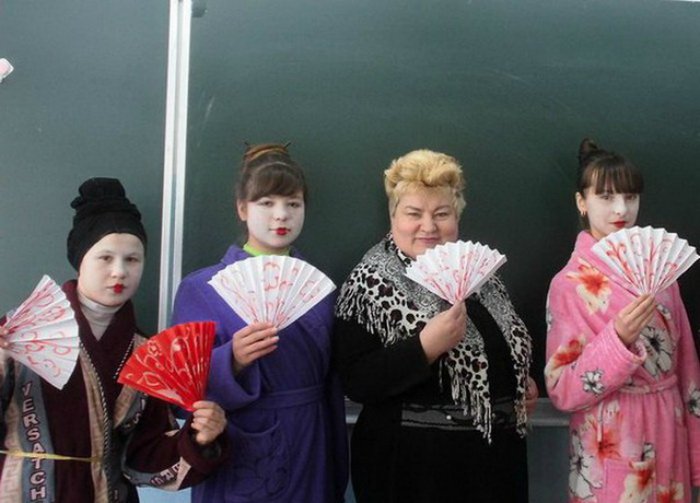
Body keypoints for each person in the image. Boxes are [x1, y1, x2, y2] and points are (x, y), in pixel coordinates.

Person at [0, 178, 228, 503]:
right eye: (105, 258)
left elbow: (142, 458)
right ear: (80, 259)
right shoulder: (19, 333)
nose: (119, 271)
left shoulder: (146, 351)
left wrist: (198, 438)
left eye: (132, 259)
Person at [333, 149, 537, 503]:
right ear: (393, 216)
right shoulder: (368, 284)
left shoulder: (484, 278)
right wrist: (424, 347)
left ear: (456, 216)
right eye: (414, 213)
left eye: (441, 214)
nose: (428, 227)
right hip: (412, 473)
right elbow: (357, 381)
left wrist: (517, 381)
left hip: (493, 468)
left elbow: (495, 349)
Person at [171, 143, 349, 503]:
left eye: (293, 204)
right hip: (240, 449)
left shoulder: (320, 289)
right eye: (266, 203)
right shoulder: (200, 289)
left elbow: (332, 386)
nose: (281, 216)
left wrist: (334, 461)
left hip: (311, 446)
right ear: (242, 208)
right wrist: (231, 360)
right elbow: (179, 392)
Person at [545, 139, 700, 503]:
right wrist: (617, 339)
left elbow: (689, 371)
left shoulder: (663, 274)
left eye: (630, 197)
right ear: (581, 202)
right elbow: (561, 388)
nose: (621, 208)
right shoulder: (568, 285)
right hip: (610, 438)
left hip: (669, 429)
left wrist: (697, 462)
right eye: (606, 197)